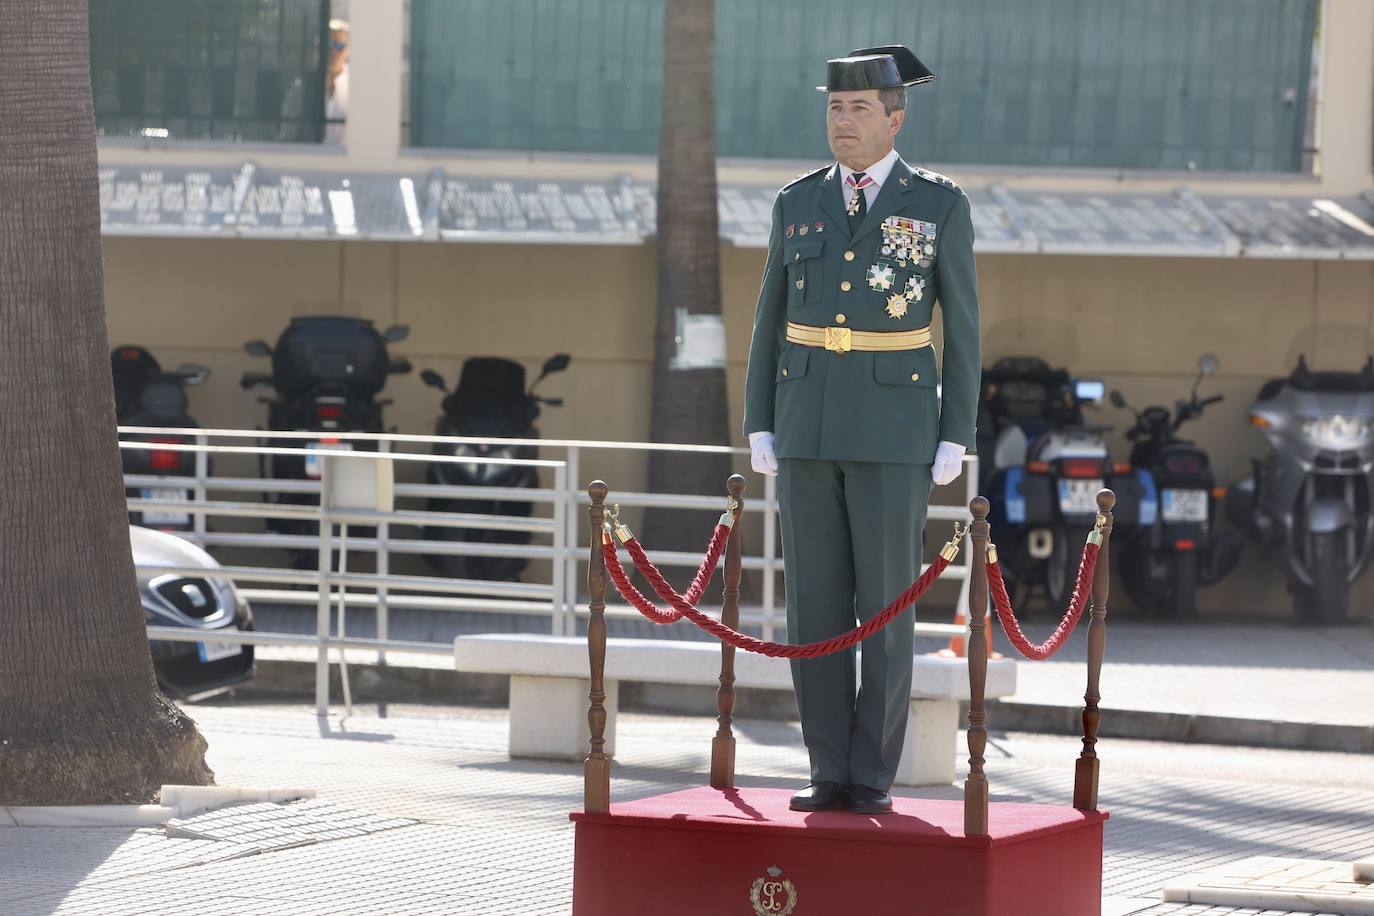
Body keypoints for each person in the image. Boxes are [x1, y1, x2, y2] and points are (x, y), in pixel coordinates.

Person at [741, 45, 981, 815]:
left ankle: (872, 773)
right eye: (834, 108)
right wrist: (760, 422)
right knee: (814, 609)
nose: (842, 123)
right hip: (806, 422)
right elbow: (768, 319)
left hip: (893, 427)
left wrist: (955, 431)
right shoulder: (797, 201)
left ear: (895, 118)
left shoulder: (938, 203)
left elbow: (964, 328)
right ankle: (826, 766)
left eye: (859, 110)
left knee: (883, 608)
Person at [324, 18, 350, 145]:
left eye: (340, 46)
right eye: (330, 45)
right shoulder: (305, 84)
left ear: (348, 52)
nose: (334, 51)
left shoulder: (356, 86)